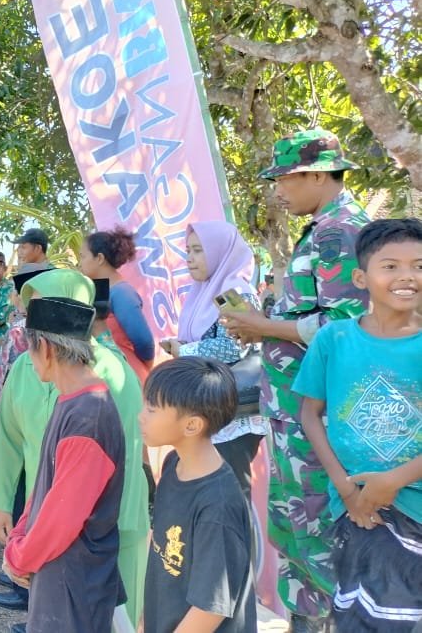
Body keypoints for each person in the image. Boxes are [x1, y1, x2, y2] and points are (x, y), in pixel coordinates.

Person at [221, 128, 370, 631]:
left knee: (321, 538)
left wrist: (263, 327)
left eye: (285, 179)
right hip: (295, 412)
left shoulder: (340, 232)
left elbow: (345, 327)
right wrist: (263, 322)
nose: (278, 191)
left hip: (318, 419)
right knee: (297, 536)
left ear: (319, 175)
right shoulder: (323, 229)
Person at [0, 269, 148, 626]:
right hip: (49, 529)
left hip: (100, 529)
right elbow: (9, 437)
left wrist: (25, 552)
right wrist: (8, 510)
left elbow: (126, 454)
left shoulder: (109, 376)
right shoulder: (34, 371)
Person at [294, 219, 422, 631]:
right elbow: (310, 413)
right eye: (391, 266)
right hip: (356, 509)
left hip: (414, 506)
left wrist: (394, 480)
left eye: (419, 266)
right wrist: (347, 488)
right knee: (362, 616)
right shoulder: (333, 340)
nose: (407, 276)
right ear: (360, 278)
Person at [2, 296, 126, 633]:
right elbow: (47, 488)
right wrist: (20, 537)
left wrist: (20, 556)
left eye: (28, 348)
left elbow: (62, 517)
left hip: (74, 580)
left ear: (44, 348)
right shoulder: (72, 399)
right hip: (59, 571)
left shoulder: (88, 414)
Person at [140, 358, 257, 633]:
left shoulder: (217, 505)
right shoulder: (173, 463)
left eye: (151, 409)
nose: (141, 416)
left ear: (192, 425)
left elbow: (209, 609)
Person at [160, 222, 270, 497]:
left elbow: (236, 346)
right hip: (212, 406)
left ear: (221, 251)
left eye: (198, 250)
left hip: (233, 414)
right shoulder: (203, 292)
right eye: (188, 250)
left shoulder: (233, 293)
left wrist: (184, 351)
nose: (190, 258)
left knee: (230, 492)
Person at [79, 227, 155, 381]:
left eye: (83, 256)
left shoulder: (121, 293)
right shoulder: (100, 291)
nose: (79, 263)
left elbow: (144, 342)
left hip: (127, 373)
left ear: (99, 258)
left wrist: (141, 366)